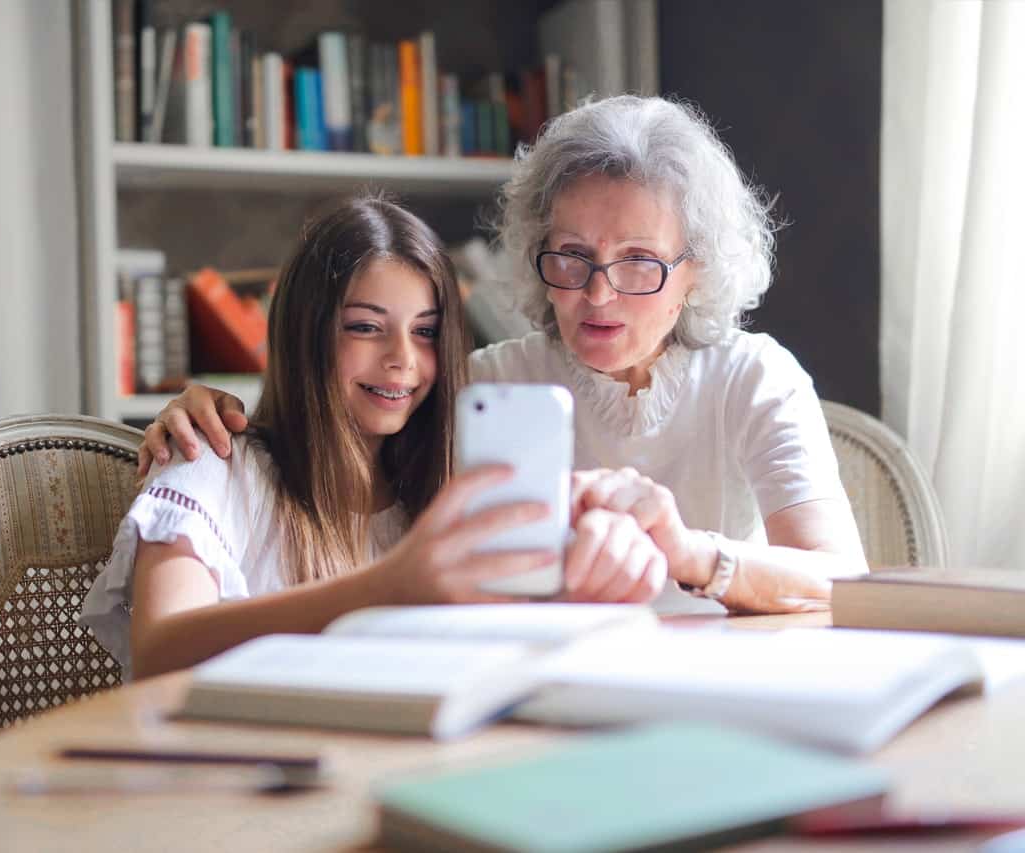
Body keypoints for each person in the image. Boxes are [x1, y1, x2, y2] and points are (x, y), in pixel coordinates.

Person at [138, 96, 867, 616]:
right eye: (572, 256)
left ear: (697, 270)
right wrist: (207, 411)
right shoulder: (484, 385)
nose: (597, 294)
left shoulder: (754, 376)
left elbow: (842, 580)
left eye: (639, 262)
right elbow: (338, 437)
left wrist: (690, 553)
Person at [80, 196, 666, 680]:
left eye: (426, 332)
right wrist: (386, 587)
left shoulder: (443, 491)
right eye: (365, 328)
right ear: (305, 333)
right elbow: (158, 652)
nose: (402, 362)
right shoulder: (212, 461)